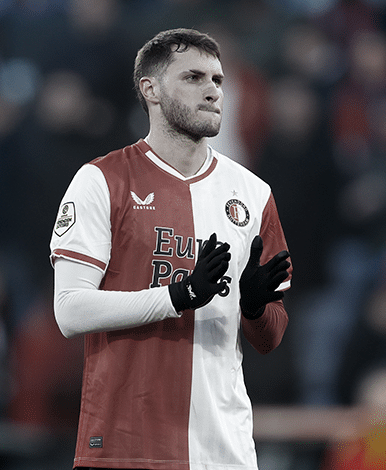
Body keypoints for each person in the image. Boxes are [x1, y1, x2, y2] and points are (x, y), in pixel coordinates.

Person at [49, 28, 292, 470]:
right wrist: (176, 296)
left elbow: (271, 337)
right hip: (126, 445)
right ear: (151, 89)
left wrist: (255, 309)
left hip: (224, 450)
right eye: (194, 78)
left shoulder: (253, 194)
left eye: (218, 80)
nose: (213, 91)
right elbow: (69, 310)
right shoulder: (101, 180)